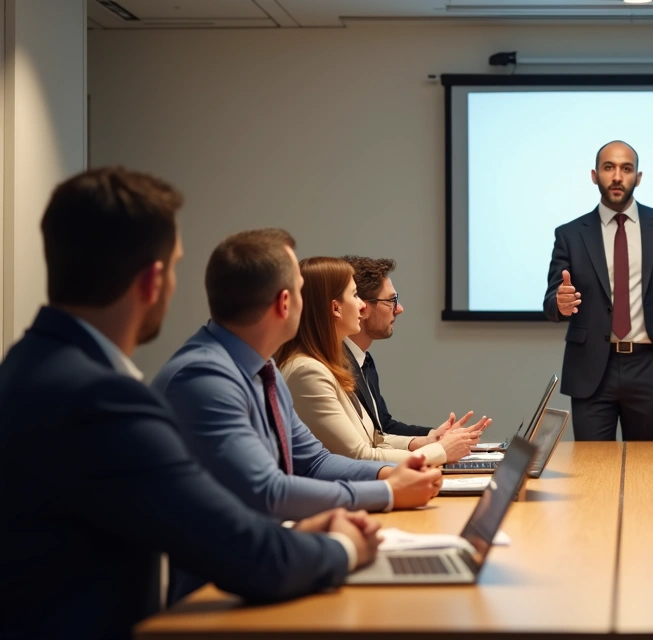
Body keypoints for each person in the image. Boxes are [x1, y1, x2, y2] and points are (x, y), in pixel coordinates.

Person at [0, 168, 379, 639]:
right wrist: (344, 546)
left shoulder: (26, 367)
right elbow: (245, 556)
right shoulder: (103, 400)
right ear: (152, 281)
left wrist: (292, 536)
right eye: (176, 266)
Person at [154, 231, 442, 523]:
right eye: (301, 291)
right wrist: (388, 492)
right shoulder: (204, 380)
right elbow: (269, 492)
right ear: (284, 303)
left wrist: (390, 475)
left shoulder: (264, 371)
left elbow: (316, 461)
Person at [543, 140, 653, 441]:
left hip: (650, 366)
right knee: (591, 468)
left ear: (638, 177)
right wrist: (560, 304)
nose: (617, 176)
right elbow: (552, 299)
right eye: (609, 167)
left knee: (648, 469)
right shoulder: (570, 233)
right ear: (594, 175)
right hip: (590, 368)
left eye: (626, 169)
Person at [274, 257, 466, 466]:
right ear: (335, 308)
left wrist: (428, 443)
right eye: (355, 295)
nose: (361, 305)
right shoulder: (308, 371)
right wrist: (439, 452)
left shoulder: (330, 364)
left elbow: (374, 438)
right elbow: (358, 456)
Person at [342, 255, 489, 462]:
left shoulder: (363, 360)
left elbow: (381, 428)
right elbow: (361, 452)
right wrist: (438, 450)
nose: (399, 309)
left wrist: (432, 438)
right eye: (391, 300)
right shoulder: (325, 367)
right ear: (362, 307)